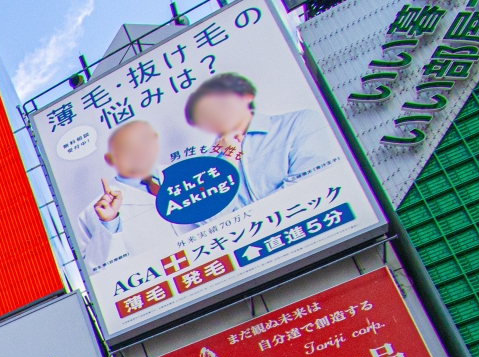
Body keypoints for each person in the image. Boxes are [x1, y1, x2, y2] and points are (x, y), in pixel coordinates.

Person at [183, 73, 339, 206]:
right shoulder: (208, 164)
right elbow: (209, 219)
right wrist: (229, 160)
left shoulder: (298, 122)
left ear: (246, 96)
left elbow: (311, 184)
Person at [74, 120, 174, 270]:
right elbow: (98, 274)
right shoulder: (92, 213)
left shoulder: (188, 174)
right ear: (110, 158)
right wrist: (110, 222)